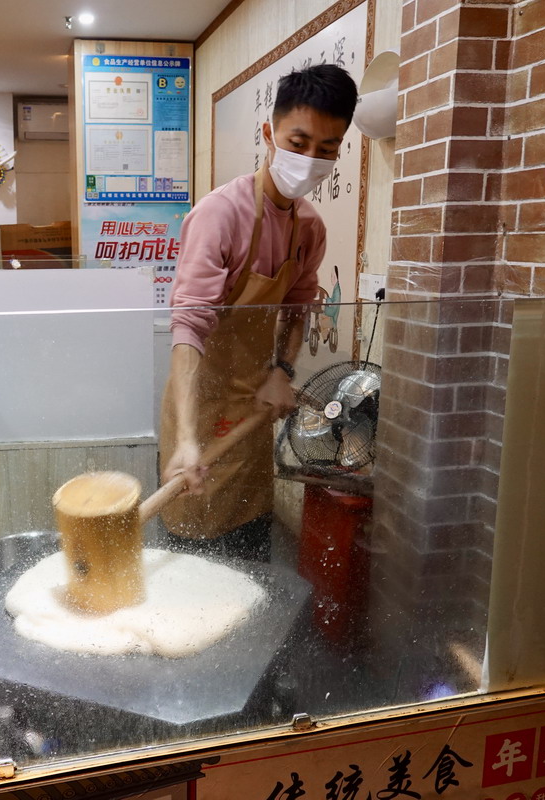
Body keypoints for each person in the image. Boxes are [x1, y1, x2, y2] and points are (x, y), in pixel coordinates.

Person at [158, 63, 358, 562]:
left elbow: (298, 306)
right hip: (200, 407)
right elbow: (189, 324)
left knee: (249, 546)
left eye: (327, 149)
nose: (311, 159)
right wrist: (185, 439)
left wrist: (282, 370)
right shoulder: (220, 215)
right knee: (194, 554)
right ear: (269, 134)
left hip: (254, 403)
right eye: (299, 141)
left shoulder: (308, 227)